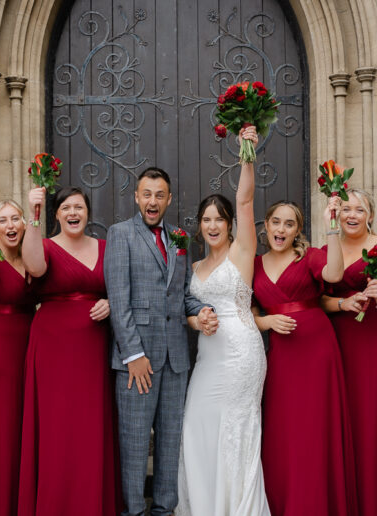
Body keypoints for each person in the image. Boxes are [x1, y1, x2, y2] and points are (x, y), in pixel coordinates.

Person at [105, 167, 217, 516]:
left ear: (169, 199)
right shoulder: (120, 234)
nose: (153, 201)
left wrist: (203, 311)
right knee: (136, 445)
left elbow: (183, 296)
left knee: (170, 444)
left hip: (176, 359)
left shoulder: (180, 238)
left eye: (159, 195)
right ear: (137, 197)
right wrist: (133, 354)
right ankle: (134, 511)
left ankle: (164, 510)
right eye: (147, 194)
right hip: (138, 361)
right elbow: (119, 302)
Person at [175, 126, 270, 516]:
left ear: (230, 223)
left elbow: (245, 200)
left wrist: (247, 151)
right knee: (196, 427)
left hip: (241, 356)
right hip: (208, 358)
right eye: (206, 219)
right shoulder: (194, 265)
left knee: (235, 433)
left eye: (219, 219)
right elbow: (185, 312)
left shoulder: (241, 253)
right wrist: (197, 322)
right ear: (199, 224)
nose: (212, 225)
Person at [18, 186, 122, 516]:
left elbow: (122, 288)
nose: (73, 213)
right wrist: (33, 216)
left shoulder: (106, 247)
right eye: (65, 208)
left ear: (88, 213)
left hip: (92, 350)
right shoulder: (44, 245)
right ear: (57, 214)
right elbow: (34, 268)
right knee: (56, 428)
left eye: (78, 207)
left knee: (88, 427)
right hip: (52, 348)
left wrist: (111, 302)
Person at [252, 199, 358, 516]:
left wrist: (332, 227)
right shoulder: (254, 265)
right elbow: (247, 313)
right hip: (281, 357)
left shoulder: (309, 257)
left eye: (289, 224)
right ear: (266, 225)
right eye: (276, 222)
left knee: (315, 428)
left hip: (316, 352)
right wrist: (266, 322)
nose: (281, 229)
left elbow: (335, 274)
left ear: (298, 230)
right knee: (285, 432)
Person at [0, 200, 36, 516]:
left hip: (34, 354)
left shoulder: (34, 260)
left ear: (25, 224)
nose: (11, 225)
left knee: (27, 431)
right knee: (3, 432)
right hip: (0, 360)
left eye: (16, 218)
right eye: (3, 220)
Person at [321, 188, 377, 516]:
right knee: (346, 422)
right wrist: (343, 303)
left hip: (371, 342)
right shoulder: (329, 248)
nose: (352, 215)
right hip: (338, 343)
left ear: (370, 214)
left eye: (360, 209)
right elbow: (319, 300)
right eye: (345, 209)